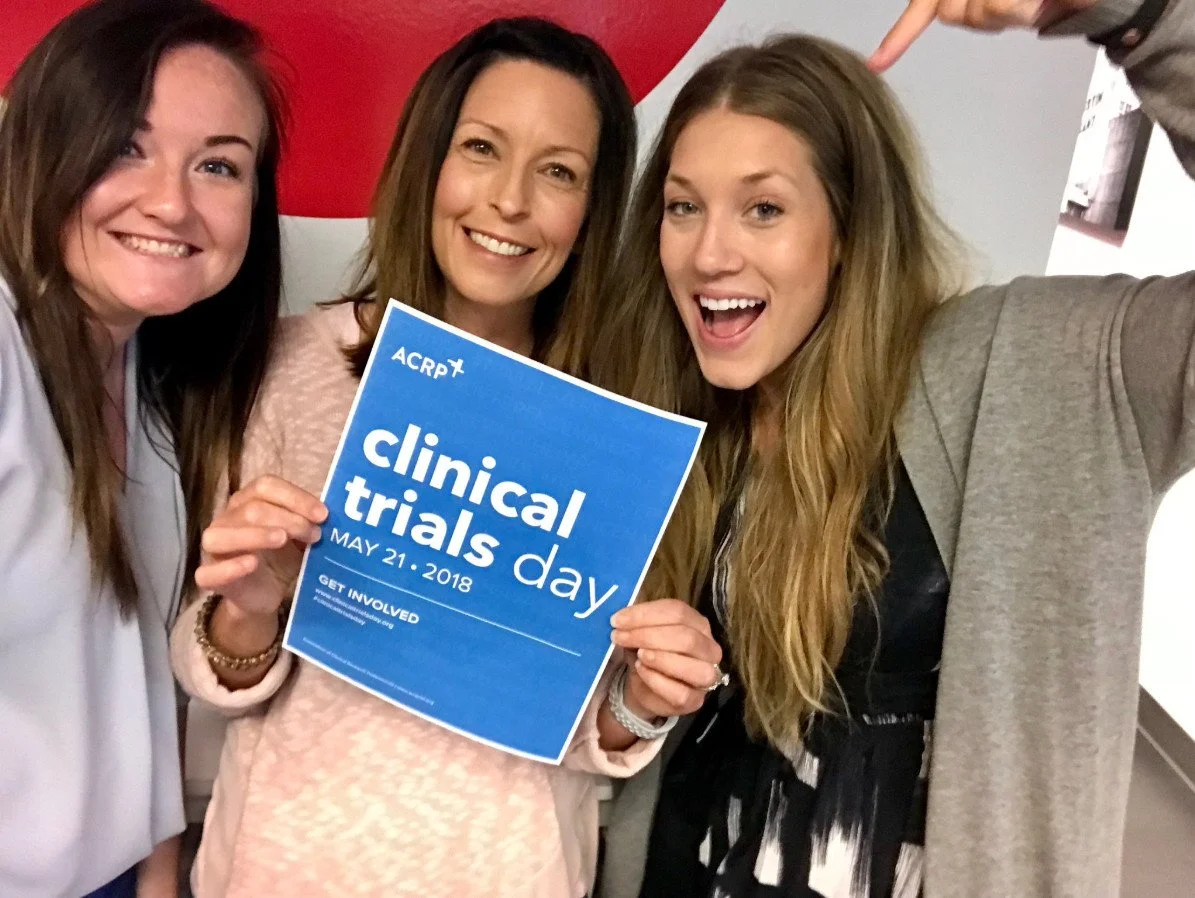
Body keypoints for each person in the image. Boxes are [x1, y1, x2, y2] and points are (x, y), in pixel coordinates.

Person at [594, 0, 1195, 896]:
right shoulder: (668, 408)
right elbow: (619, 716)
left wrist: (1140, 16)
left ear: (847, 228)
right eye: (684, 207)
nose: (709, 254)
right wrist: (633, 709)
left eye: (763, 208)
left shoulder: (1034, 366)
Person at [170, 17, 721, 898]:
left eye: (558, 172)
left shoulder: (618, 429)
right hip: (283, 868)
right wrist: (247, 613)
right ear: (428, 160)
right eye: (481, 149)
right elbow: (215, 670)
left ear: (593, 209)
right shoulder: (288, 362)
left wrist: (646, 702)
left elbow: (591, 729)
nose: (509, 201)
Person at [0, 1, 285, 896]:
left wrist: (159, 873)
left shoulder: (150, 383)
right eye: (127, 147)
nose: (171, 202)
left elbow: (136, 683)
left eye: (218, 165)